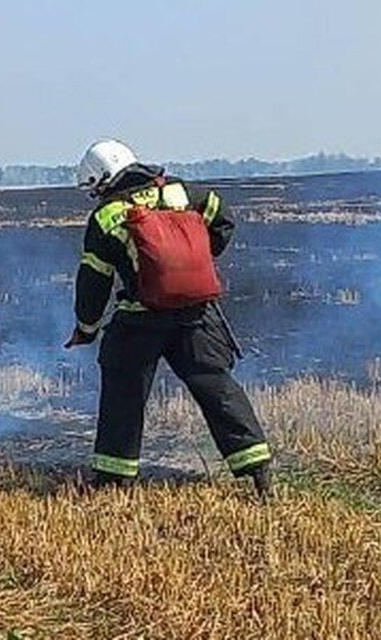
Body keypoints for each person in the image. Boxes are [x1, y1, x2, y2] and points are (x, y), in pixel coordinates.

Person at [65, 139, 272, 498]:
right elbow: (225, 220)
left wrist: (87, 327)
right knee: (216, 386)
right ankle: (258, 469)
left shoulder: (106, 216)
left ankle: (114, 478)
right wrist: (195, 262)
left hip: (140, 320)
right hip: (197, 314)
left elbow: (94, 280)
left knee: (123, 391)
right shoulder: (184, 191)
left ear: (102, 179)